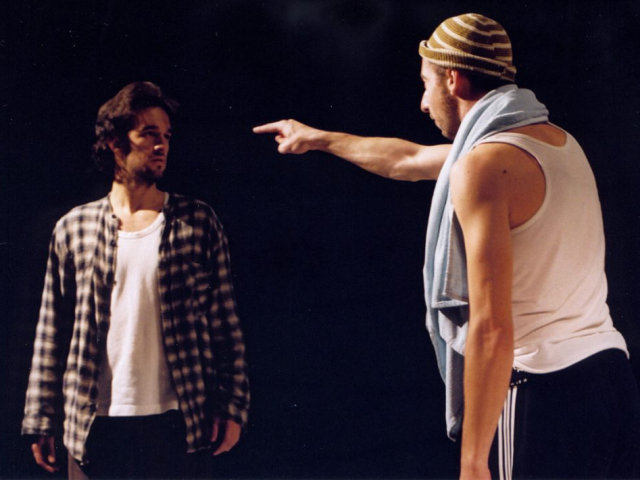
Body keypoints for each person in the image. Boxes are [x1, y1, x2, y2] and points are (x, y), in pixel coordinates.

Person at [254, 13, 640, 479]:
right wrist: (319, 139)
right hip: (610, 382)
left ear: (453, 79)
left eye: (426, 83)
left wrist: (472, 462)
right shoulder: (558, 144)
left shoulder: (483, 166)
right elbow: (409, 158)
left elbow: (491, 327)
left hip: (543, 392)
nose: (423, 103)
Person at [22, 81, 250, 478]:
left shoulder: (197, 221)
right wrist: (40, 418)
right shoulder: (74, 227)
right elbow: (51, 330)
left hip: (179, 421)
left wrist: (232, 407)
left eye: (167, 136)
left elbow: (225, 324)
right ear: (114, 142)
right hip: (94, 424)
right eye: (148, 134)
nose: (161, 145)